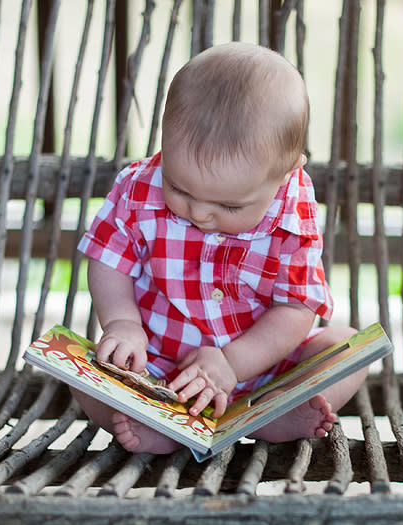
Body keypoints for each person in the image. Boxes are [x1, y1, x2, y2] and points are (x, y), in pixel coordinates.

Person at [76, 42, 368, 454]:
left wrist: (233, 363)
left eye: (229, 205)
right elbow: (109, 259)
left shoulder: (293, 211)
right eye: (177, 187)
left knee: (346, 346)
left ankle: (273, 413)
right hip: (159, 368)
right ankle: (156, 421)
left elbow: (296, 308)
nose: (199, 213)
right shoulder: (139, 187)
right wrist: (123, 323)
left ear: (287, 173)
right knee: (83, 375)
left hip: (264, 367)